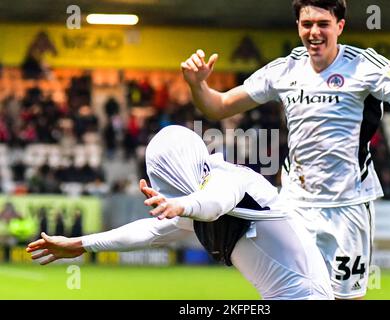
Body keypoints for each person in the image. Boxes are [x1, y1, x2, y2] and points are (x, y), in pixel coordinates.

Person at [180, 0, 390, 299]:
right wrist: (197, 85)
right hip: (295, 205)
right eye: (307, 24)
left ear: (340, 26)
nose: (314, 32)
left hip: (348, 206)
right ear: (298, 26)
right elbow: (218, 106)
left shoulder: (365, 66)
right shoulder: (284, 69)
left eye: (323, 24)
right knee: (291, 293)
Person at [27, 125, 333, 300]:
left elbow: (215, 204)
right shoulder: (196, 199)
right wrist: (80, 244)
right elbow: (149, 231)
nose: (165, 188)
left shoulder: (230, 179)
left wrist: (180, 206)